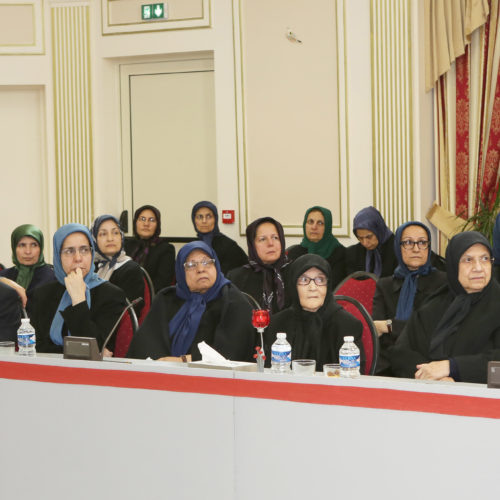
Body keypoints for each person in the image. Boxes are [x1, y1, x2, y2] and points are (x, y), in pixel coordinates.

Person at [390, 231, 500, 383]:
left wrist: (453, 368)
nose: (478, 268)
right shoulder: (435, 305)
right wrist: (432, 377)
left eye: (485, 259)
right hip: (431, 395)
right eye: (468, 260)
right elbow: (401, 354)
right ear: (453, 265)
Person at [127, 241, 255, 361]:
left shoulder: (233, 302)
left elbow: (230, 353)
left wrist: (182, 361)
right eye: (191, 265)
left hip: (213, 379)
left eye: (206, 262)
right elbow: (145, 345)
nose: (200, 269)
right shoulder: (166, 299)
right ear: (181, 272)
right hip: (163, 376)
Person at [31, 224, 127, 354]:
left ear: (92, 253)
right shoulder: (43, 294)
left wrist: (79, 300)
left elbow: (96, 350)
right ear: (58, 256)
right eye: (69, 251)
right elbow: (35, 348)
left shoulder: (111, 295)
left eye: (84, 250)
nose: (78, 258)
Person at [372, 221, 447, 375]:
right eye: (408, 242)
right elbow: (376, 330)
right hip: (388, 363)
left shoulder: (443, 282)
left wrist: (388, 326)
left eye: (422, 242)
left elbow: (433, 330)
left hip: (428, 362)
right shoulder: (385, 285)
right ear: (398, 247)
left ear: (428, 246)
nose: (416, 249)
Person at [265, 254, 364, 369]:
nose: (312, 287)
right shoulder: (278, 323)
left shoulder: (347, 325)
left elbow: (352, 379)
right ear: (293, 285)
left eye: (320, 280)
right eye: (304, 280)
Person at [227, 217, 291, 313]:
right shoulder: (236, 277)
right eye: (262, 239)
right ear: (252, 245)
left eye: (275, 237)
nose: (270, 243)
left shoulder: (295, 272)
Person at [92, 214, 145, 315]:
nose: (110, 238)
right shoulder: (91, 267)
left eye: (115, 233)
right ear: (94, 239)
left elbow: (130, 315)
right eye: (103, 234)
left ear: (121, 237)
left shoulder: (131, 270)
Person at [0, 224, 56, 316]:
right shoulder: (4, 275)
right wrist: (3, 281)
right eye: (22, 245)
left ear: (41, 247)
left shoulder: (53, 277)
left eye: (34, 245)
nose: (28, 251)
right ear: (14, 247)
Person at [286, 206, 346, 288]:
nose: (314, 227)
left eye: (320, 223)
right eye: (310, 222)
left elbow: (335, 287)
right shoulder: (295, 253)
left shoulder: (339, 253)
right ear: (305, 225)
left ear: (327, 227)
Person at [124, 205, 175, 293]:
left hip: (151, 299)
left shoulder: (166, 249)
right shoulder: (126, 245)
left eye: (152, 220)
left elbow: (162, 284)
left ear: (157, 225)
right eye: (142, 219)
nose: (146, 224)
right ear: (135, 222)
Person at [191, 201, 247, 274]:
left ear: (215, 219)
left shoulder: (229, 246)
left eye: (209, 216)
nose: (204, 221)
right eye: (200, 217)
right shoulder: (192, 246)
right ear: (194, 220)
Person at [345, 206, 397, 277]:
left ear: (379, 230)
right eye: (360, 238)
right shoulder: (353, 253)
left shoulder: (398, 250)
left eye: (369, 237)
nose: (365, 243)